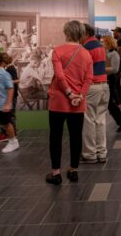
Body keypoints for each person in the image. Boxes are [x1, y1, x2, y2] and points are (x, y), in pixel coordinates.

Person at [46, 20, 93, 185]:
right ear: (81, 34)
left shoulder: (57, 51)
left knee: (56, 137)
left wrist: (68, 93)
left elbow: (59, 76)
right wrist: (79, 95)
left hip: (59, 100)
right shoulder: (86, 54)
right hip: (78, 102)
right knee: (75, 137)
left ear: (66, 32)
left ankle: (56, 173)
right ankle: (74, 171)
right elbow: (89, 78)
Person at [81, 23, 110, 164]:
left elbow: (83, 70)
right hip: (104, 85)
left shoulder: (86, 47)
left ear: (85, 33)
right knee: (100, 121)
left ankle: (89, 154)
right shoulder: (99, 45)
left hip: (92, 87)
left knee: (88, 121)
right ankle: (101, 152)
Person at [102, 35, 121, 132]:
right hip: (107, 79)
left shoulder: (114, 54)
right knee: (110, 103)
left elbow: (115, 69)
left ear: (108, 43)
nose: (102, 44)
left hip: (111, 79)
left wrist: (101, 70)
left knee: (110, 103)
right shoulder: (106, 53)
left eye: (104, 42)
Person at [0, 53, 20, 142]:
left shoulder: (11, 68)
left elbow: (16, 80)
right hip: (10, 95)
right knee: (9, 115)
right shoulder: (8, 69)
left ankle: (12, 135)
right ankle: (10, 134)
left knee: (11, 116)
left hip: (12, 95)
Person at [112, 27, 121, 107]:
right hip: (118, 66)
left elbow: (118, 55)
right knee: (117, 84)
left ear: (120, 33)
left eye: (115, 32)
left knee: (115, 84)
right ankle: (119, 103)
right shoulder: (120, 41)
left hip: (118, 66)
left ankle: (118, 103)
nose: (114, 33)